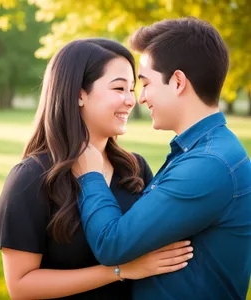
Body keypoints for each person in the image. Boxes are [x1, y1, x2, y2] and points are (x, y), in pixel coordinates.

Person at [0, 38, 194, 300]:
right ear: (78, 94)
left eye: (133, 89)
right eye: (119, 88)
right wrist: (118, 270)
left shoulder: (135, 169)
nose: (131, 101)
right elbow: (20, 286)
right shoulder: (31, 177)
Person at [75, 18, 251, 300]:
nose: (140, 98)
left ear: (178, 82)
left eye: (145, 83)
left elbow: (112, 243)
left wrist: (90, 176)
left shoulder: (209, 164)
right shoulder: (203, 151)